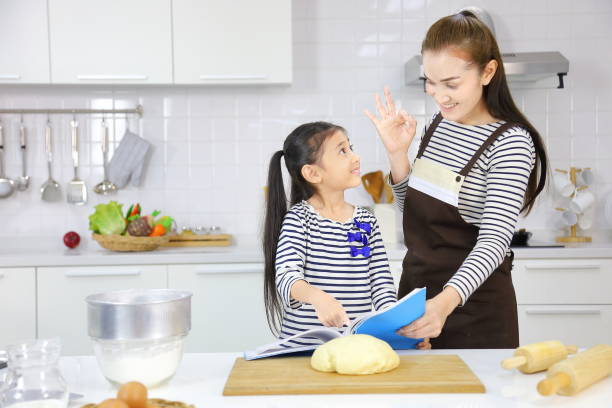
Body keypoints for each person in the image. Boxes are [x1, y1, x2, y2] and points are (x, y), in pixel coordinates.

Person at [365, 10, 548, 349]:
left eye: (451, 84)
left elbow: (494, 242)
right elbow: (414, 217)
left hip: (473, 310)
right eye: (430, 83)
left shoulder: (510, 143)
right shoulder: (439, 125)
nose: (439, 95)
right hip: (417, 303)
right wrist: (397, 155)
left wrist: (445, 303)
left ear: (488, 72)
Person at [262, 121, 430, 349]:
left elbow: (381, 284)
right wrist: (318, 297)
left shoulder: (365, 221)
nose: (355, 157)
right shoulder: (300, 219)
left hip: (348, 347)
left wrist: (397, 329)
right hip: (301, 351)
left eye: (351, 147)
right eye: (342, 151)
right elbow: (286, 276)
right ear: (313, 173)